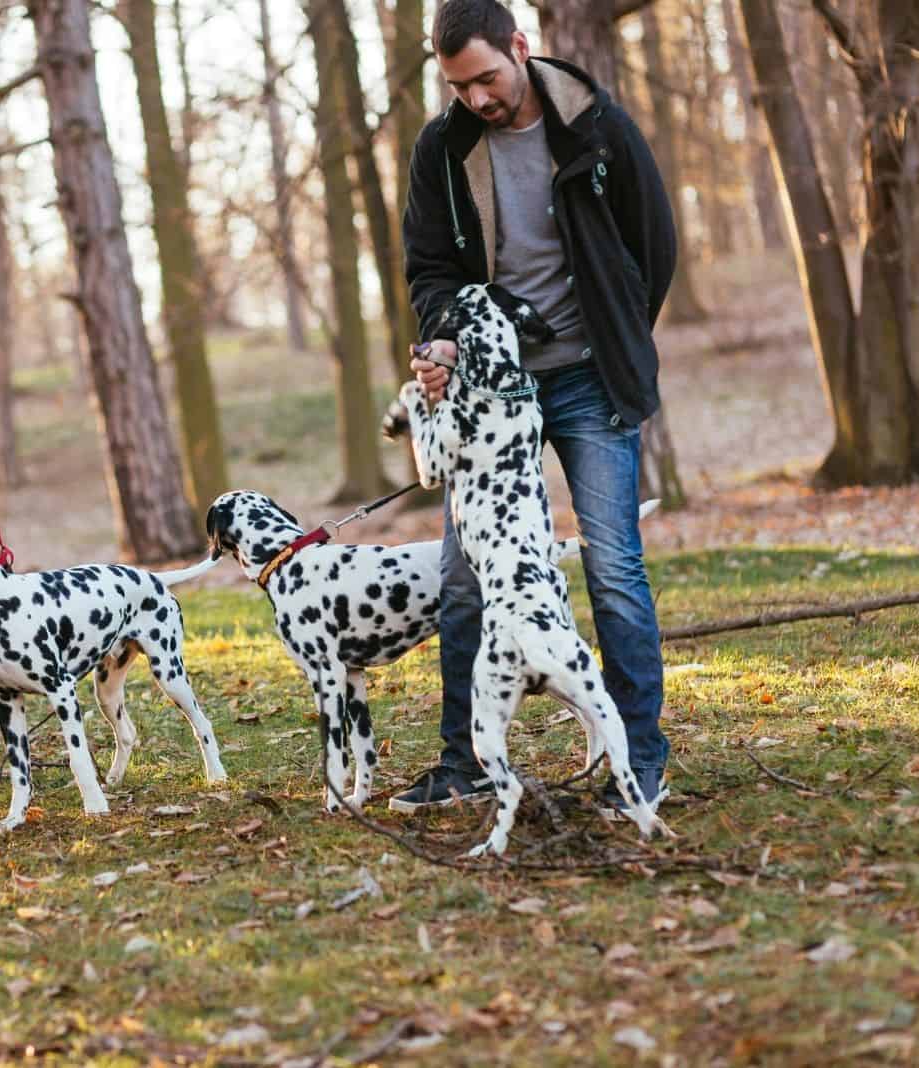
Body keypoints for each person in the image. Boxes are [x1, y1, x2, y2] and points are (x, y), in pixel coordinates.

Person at [390, 0, 675, 817]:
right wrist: (442, 342)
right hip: (487, 394)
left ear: (520, 47)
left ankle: (642, 760)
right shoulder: (442, 149)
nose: (477, 97)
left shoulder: (597, 124)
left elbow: (652, 246)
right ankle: (467, 761)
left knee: (614, 567)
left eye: (486, 76)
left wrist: (620, 334)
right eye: (459, 85)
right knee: (462, 580)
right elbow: (429, 269)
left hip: (590, 378)